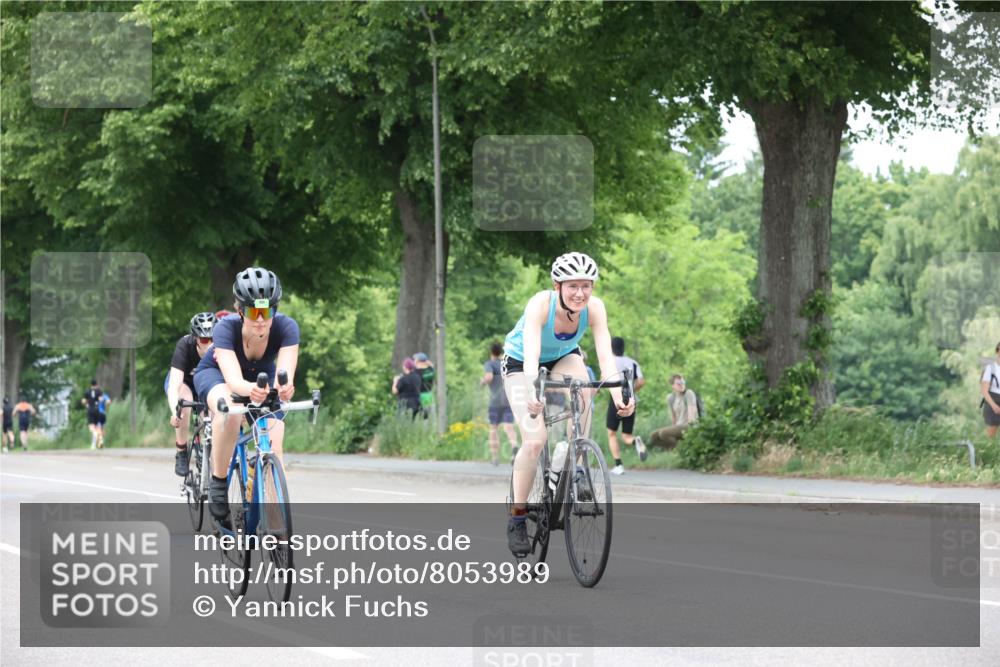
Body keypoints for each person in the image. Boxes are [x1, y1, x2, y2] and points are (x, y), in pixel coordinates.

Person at [502, 252, 634, 556]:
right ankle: (517, 517)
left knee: (584, 388)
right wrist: (536, 388)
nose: (580, 293)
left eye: (586, 286)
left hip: (564, 356)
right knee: (535, 441)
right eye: (572, 286)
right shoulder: (540, 304)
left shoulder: (595, 309)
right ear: (557, 285)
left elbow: (605, 360)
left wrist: (620, 397)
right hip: (522, 363)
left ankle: (575, 466)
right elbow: (532, 353)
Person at [194, 267, 299, 526]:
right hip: (219, 375)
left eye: (268, 311)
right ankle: (218, 484)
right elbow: (233, 381)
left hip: (261, 376)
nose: (261, 320)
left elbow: (283, 373)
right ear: (240, 310)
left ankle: (276, 522)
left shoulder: (287, 328)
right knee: (229, 412)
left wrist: (283, 388)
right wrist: (251, 390)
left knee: (275, 438)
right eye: (254, 312)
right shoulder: (225, 329)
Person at [166, 311, 218, 476]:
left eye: (212, 339)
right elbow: (175, 384)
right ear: (195, 338)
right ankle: (181, 450)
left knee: (209, 416)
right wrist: (175, 411)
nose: (209, 344)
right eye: (204, 340)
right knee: (184, 404)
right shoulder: (184, 345)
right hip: (185, 383)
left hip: (205, 385)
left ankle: (207, 448)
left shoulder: (222, 348)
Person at [605, 336, 647, 474]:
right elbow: (641, 381)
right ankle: (636, 441)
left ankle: (618, 465)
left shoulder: (610, 362)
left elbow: (603, 379)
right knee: (626, 436)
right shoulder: (633, 362)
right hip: (630, 399)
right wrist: (631, 390)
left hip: (616, 399)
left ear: (611, 348)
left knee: (611, 433)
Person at [481, 342, 519, 466]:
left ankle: (494, 457)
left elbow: (489, 377)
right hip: (508, 400)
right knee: (509, 427)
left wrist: (482, 382)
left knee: (493, 429)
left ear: (491, 352)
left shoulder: (489, 364)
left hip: (495, 402)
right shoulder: (505, 363)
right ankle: (514, 447)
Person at [649, 375, 699, 450]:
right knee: (653, 436)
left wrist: (691, 430)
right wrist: (673, 429)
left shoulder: (688, 393)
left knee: (663, 433)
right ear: (672, 385)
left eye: (683, 383)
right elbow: (673, 417)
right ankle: (675, 449)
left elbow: (692, 414)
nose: (681, 385)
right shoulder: (671, 398)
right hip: (678, 425)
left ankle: (680, 449)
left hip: (688, 425)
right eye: (678, 384)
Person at [982, 341, 1000, 440]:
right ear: (997, 351)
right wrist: (994, 406)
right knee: (991, 435)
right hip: (993, 400)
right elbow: (984, 390)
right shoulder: (991, 368)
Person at [82, 380, 104, 449]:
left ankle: (95, 438)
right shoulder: (99, 391)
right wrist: (97, 402)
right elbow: (101, 399)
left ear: (91, 385)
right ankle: (100, 440)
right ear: (96, 385)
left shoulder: (87, 392)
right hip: (97, 410)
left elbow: (83, 401)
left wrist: (87, 404)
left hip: (90, 410)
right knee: (98, 426)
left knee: (92, 427)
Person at [413, 352, 435, 417]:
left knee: (423, 418)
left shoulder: (415, 372)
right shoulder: (430, 370)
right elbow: (432, 366)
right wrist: (429, 363)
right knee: (431, 417)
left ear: (418, 361)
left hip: (420, 396)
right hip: (429, 395)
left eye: (415, 359)